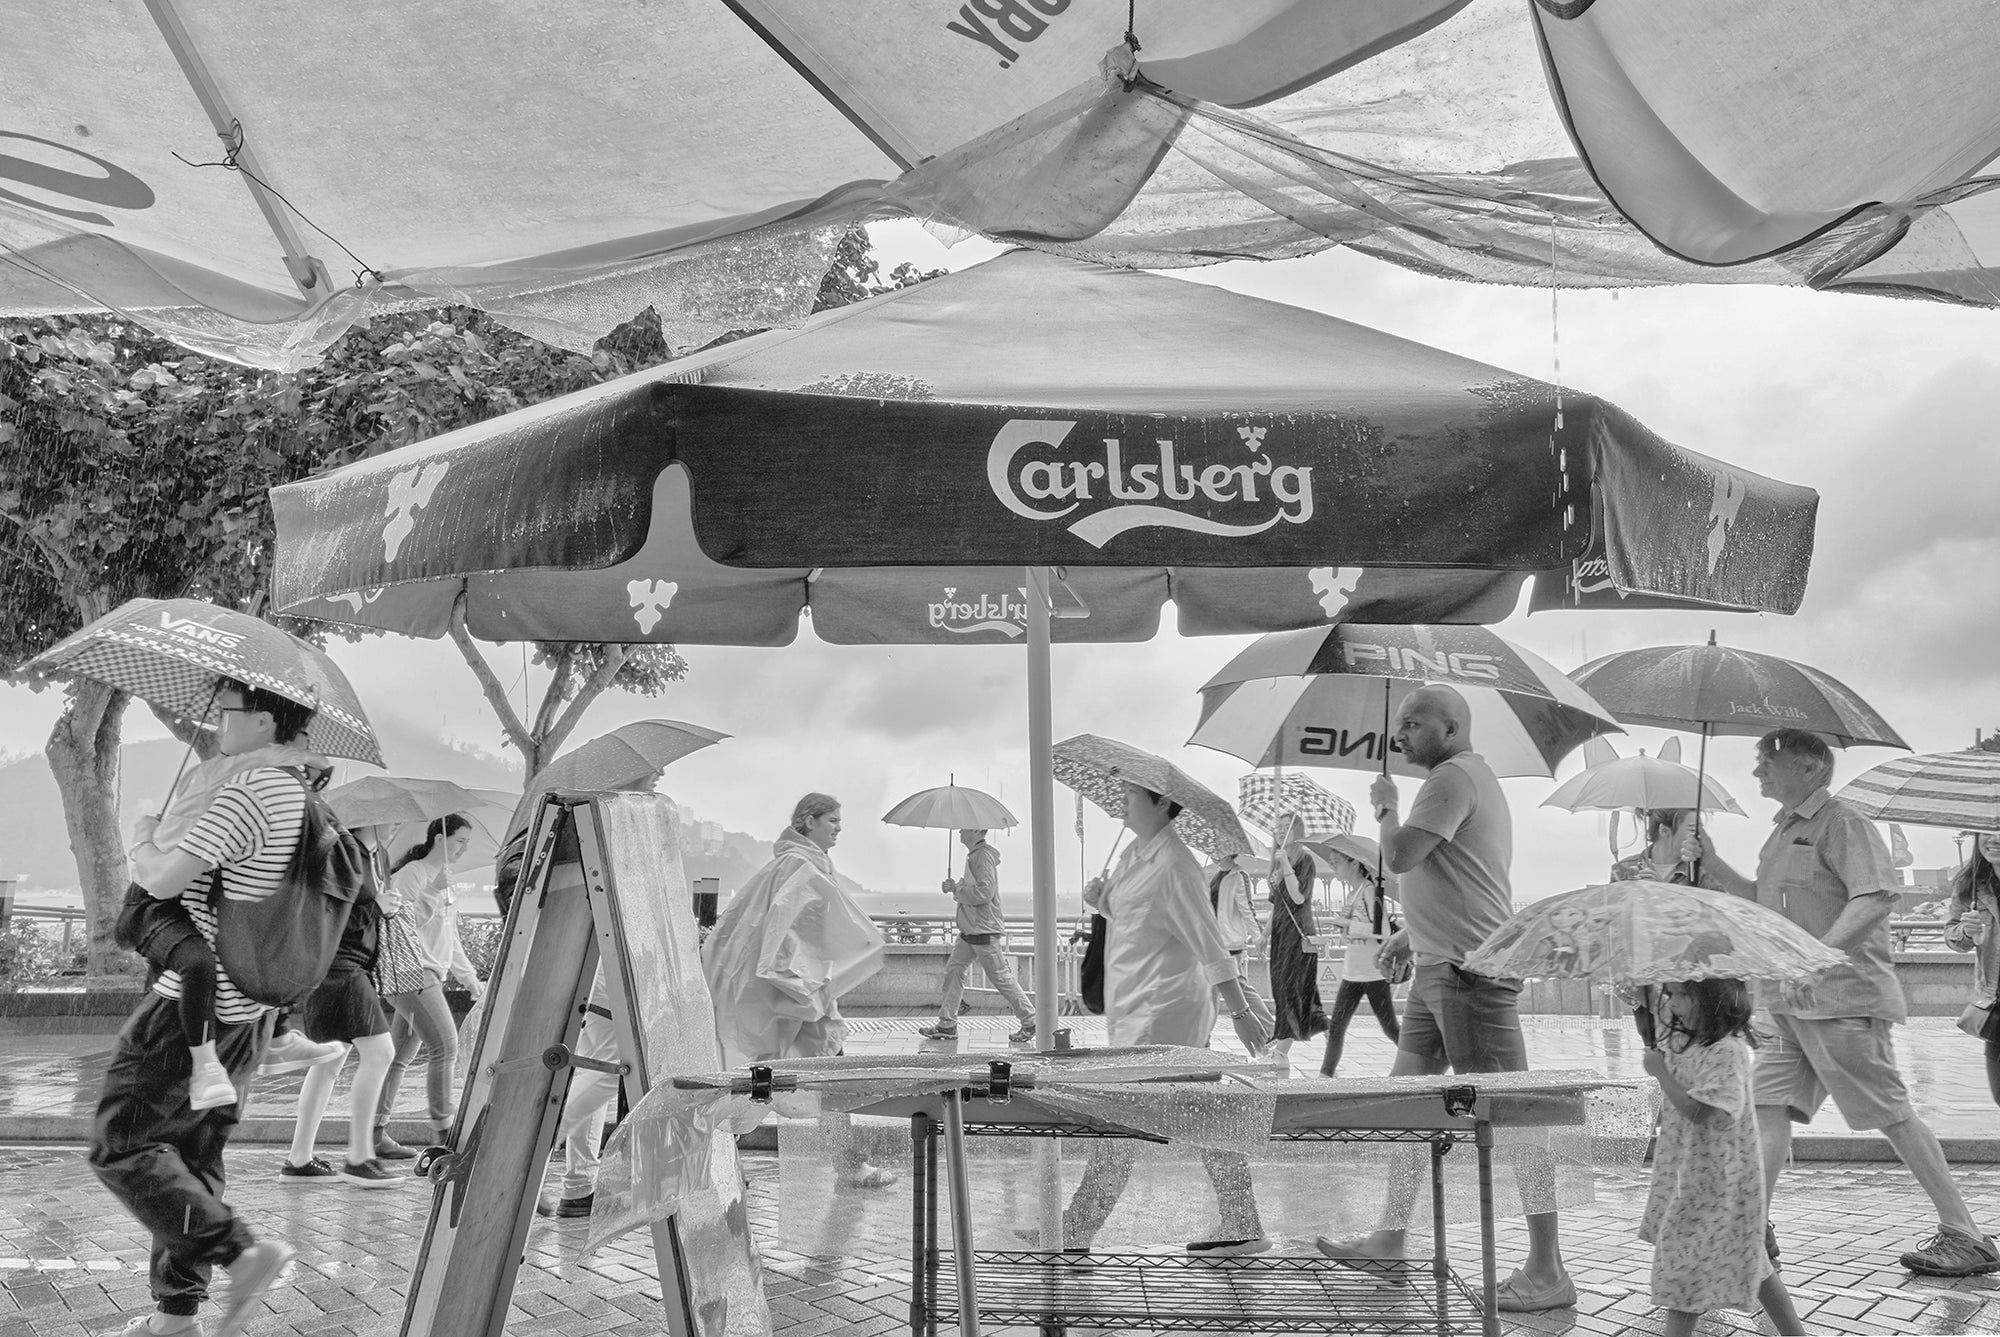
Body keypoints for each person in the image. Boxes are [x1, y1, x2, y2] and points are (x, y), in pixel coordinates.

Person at [1689, 728, 1999, 1276]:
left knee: (1891, 1112)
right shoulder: (1782, 834)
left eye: (1768, 760)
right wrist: (1710, 861)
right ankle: (1749, 1227)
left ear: (1810, 767)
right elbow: (1762, 907)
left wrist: (1818, 957)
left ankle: (1966, 1234)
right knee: (1766, 1108)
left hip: (1841, 1000)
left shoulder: (1844, 823)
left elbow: (1876, 897)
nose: (1758, 770)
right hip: (1789, 1001)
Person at [1315, 685, 1575, 1312]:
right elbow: (1459, 874)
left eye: (1413, 723)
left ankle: (1548, 1270)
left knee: (1516, 1117)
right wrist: (1412, 932)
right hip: (1441, 968)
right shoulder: (1464, 778)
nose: (1399, 734)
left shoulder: (1451, 777)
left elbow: (1402, 855)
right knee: (1408, 1107)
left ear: (1451, 728)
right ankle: (1390, 1235)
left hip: (1470, 975)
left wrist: (1383, 809)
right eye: (1399, 722)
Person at [92, 679, 305, 1337]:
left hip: (185, 1012)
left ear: (263, 721)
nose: (219, 721)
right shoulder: (299, 796)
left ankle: (243, 1252)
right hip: (247, 1015)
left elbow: (161, 879)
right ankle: (177, 1316)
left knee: (122, 1143)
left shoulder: (245, 790)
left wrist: (141, 833)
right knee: (190, 1156)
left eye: (229, 712)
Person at [1058, 781, 1273, 1256]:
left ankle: (1076, 1230)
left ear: (1160, 802)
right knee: (1199, 1115)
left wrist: (1240, 1010)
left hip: (1168, 1011)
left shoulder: (1177, 865)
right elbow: (1138, 920)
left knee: (1128, 1118)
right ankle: (1242, 1223)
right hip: (1135, 1007)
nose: (1121, 801)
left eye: (1131, 794)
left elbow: (1210, 944)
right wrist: (1103, 902)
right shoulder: (1135, 854)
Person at [123, 713, 345, 1109]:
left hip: (197, 921)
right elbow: (163, 875)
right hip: (155, 906)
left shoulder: (261, 782)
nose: (307, 757)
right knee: (197, 963)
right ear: (269, 730)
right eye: (302, 743)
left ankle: (276, 1036)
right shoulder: (228, 777)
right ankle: (203, 1063)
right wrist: (143, 838)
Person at [703, 793, 893, 1187]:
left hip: (800, 994)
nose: (839, 827)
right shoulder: (798, 865)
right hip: (796, 995)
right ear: (809, 821)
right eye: (832, 820)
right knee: (803, 1079)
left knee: (773, 1078)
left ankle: (722, 1164)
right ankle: (847, 1166)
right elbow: (783, 930)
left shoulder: (802, 864)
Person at [1638, 977, 1806, 1337]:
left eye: (1684, 995)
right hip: (1690, 1175)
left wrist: (1660, 1073)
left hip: (1714, 1184)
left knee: (1685, 1277)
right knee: (1753, 1261)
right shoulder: (1684, 1042)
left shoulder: (1728, 1052)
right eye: (1672, 994)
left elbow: (1701, 1112)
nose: (1674, 1003)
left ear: (1714, 1001)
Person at [279, 826, 402, 1188]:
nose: (395, 824)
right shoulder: (344, 854)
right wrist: (375, 906)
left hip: (337, 968)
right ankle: (359, 1157)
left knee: (328, 1061)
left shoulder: (367, 857)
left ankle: (299, 1160)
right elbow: (328, 913)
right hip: (340, 968)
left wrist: (379, 907)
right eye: (390, 817)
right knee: (380, 1053)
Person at [371, 814, 480, 1159]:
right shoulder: (412, 875)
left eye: (467, 842)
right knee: (445, 1047)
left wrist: (470, 978)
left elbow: (449, 937)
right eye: (460, 840)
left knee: (398, 1057)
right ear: (439, 839)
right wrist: (432, 893)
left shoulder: (444, 881)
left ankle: (373, 1134)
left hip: (428, 973)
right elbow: (399, 926)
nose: (464, 848)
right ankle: (445, 1136)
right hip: (410, 970)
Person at [918, 829, 1038, 1045]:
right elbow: (975, 890)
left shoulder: (982, 856)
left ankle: (1030, 1020)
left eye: (964, 827)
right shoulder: (975, 855)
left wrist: (957, 889)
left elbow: (985, 892)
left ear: (976, 830)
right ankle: (947, 1024)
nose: (960, 831)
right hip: (970, 930)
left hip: (983, 929)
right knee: (954, 971)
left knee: (1001, 977)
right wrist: (955, 888)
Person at [1317, 835, 1402, 1077]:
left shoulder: (1370, 891)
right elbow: (1353, 936)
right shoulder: (1353, 895)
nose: (1333, 868)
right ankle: (1325, 1075)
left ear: (1354, 863)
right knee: (1336, 1028)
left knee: (1390, 1027)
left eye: (1337, 862)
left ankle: (1419, 1059)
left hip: (1372, 974)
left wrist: (1348, 925)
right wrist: (1345, 929)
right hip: (1352, 972)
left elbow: (1382, 931)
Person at [1264, 815, 1327, 1068]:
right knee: (1281, 991)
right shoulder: (1277, 861)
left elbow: (1298, 898)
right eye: (1277, 827)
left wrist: (1286, 867)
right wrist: (1264, 934)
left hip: (1297, 935)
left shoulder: (1304, 860)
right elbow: (1276, 904)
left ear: (1296, 830)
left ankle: (1281, 1052)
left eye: (1285, 827)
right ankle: (1309, 1030)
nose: (1280, 831)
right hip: (1280, 935)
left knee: (1292, 991)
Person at [1944, 831, 2000, 1110]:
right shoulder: (1971, 886)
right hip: (1996, 1006)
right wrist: (1967, 930)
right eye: (1988, 830)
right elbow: (1953, 936)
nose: (1995, 838)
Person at [1612, 808, 1701, 884]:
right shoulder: (1623, 869)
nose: (1699, 836)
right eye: (1692, 830)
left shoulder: (1701, 874)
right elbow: (1611, 903)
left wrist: (1662, 890)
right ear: (1664, 831)